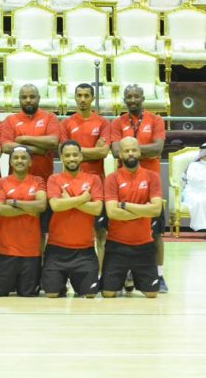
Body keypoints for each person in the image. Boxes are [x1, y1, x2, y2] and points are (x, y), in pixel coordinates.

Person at [110, 84, 167, 292]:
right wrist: (142, 150)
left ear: (143, 98)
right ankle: (127, 274)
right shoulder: (117, 122)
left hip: (150, 184)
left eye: (136, 96)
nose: (132, 100)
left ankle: (159, 275)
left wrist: (129, 149)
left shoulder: (156, 120)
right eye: (129, 97)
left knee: (156, 233)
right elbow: (115, 151)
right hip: (123, 184)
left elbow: (158, 148)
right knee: (124, 229)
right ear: (124, 100)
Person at [102, 137, 163, 298]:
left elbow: (156, 210)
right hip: (117, 244)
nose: (130, 153)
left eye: (134, 150)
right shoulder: (112, 178)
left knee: (152, 294)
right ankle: (125, 276)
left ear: (139, 152)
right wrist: (144, 210)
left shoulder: (152, 177)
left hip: (144, 244)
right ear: (120, 154)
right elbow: (112, 213)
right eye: (126, 151)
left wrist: (124, 205)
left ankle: (131, 276)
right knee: (108, 293)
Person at [60, 83, 111, 272]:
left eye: (86, 96)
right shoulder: (66, 123)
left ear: (93, 98)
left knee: (101, 233)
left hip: (96, 185)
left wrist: (77, 151)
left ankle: (101, 276)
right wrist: (92, 150)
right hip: (70, 185)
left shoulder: (103, 123)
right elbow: (64, 153)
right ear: (74, 98)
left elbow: (103, 152)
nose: (82, 99)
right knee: (71, 231)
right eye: (79, 95)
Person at [43, 141, 103, 298]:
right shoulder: (54, 179)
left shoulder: (94, 179)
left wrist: (68, 201)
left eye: (75, 155)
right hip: (57, 249)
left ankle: (75, 280)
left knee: (90, 295)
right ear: (62, 158)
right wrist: (83, 199)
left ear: (81, 156)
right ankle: (62, 282)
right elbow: (56, 205)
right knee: (52, 294)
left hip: (85, 250)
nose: (72, 158)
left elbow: (97, 209)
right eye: (67, 155)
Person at [0, 146, 47, 297]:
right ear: (10, 162)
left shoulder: (38, 181)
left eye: (23, 158)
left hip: (30, 252)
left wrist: (14, 202)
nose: (19, 161)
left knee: (28, 296)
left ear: (30, 162)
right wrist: (30, 209)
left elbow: (41, 205)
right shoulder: (0, 182)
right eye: (15, 158)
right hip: (4, 251)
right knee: (0, 296)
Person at [0, 84, 60, 181]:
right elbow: (6, 147)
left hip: (44, 179)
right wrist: (37, 150)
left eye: (32, 97)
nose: (28, 100)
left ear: (39, 98)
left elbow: (53, 141)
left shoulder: (50, 117)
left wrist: (23, 139)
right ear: (19, 99)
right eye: (24, 97)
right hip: (16, 182)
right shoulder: (10, 120)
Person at [181, 143, 206, 232]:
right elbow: (192, 179)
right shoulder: (193, 165)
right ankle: (202, 227)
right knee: (200, 200)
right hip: (194, 191)